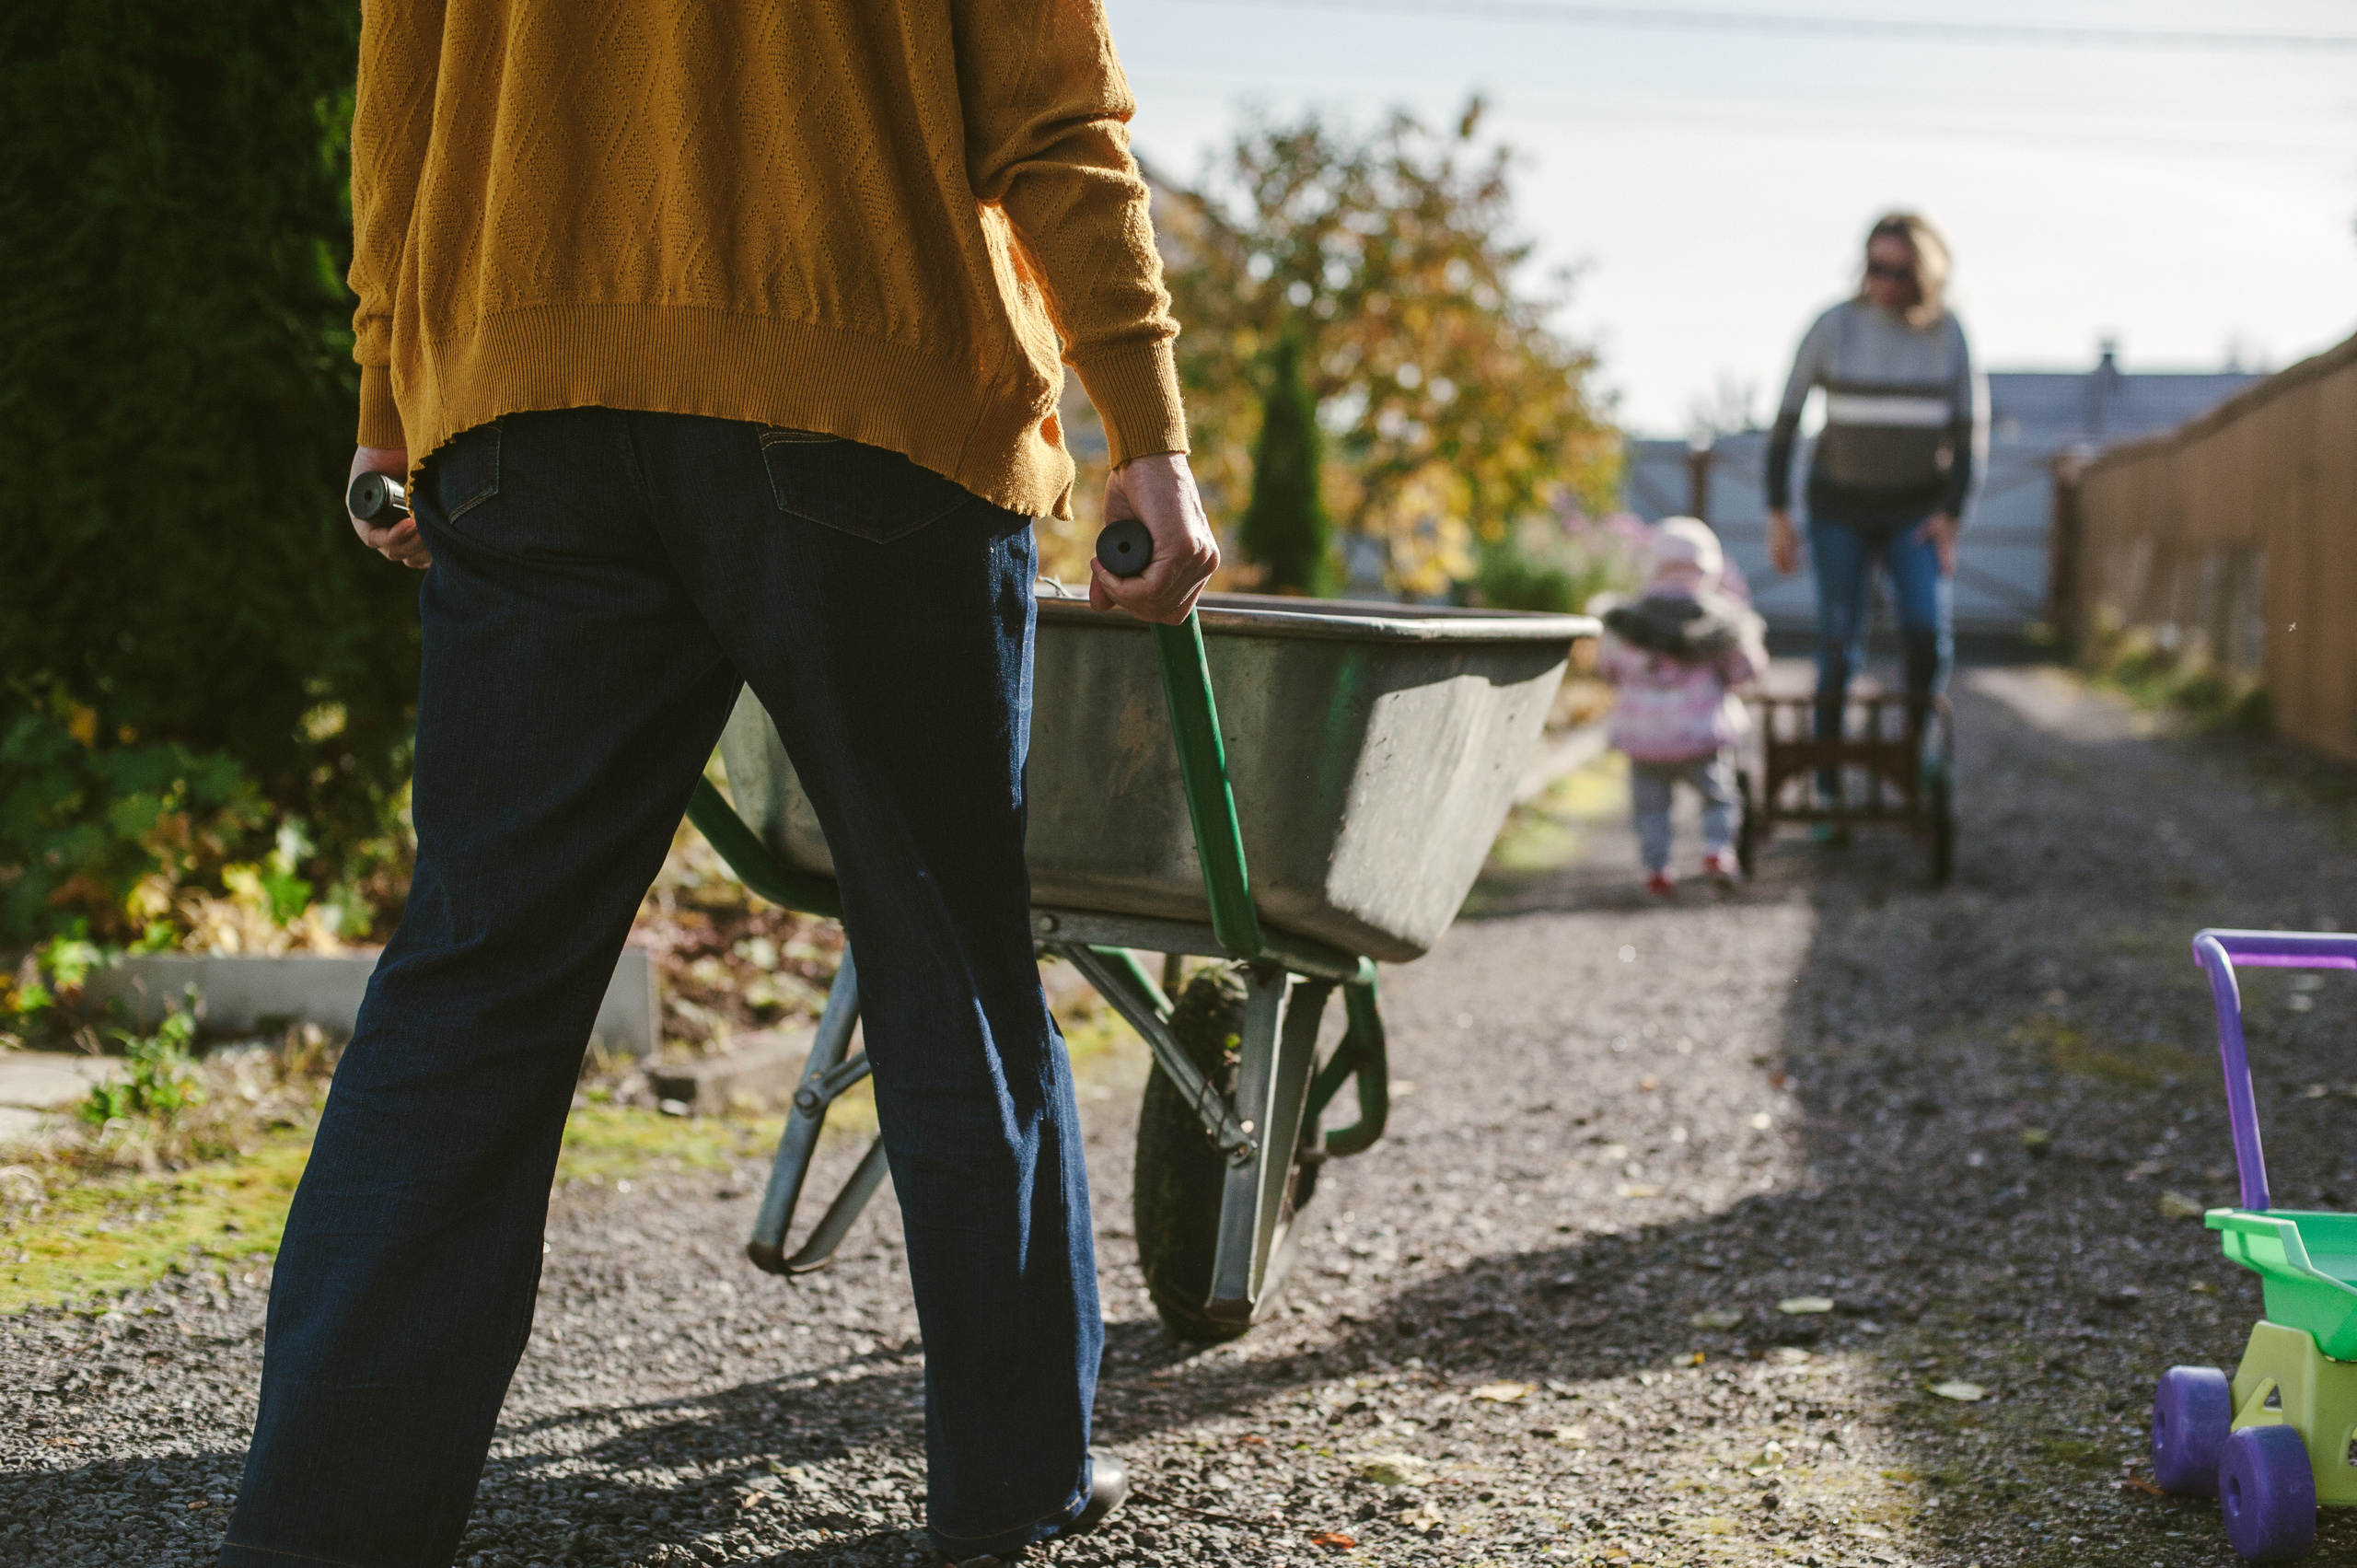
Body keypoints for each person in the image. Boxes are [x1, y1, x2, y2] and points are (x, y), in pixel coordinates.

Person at [220, 5, 1218, 1567]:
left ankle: (322, 1527)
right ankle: (1016, 1477)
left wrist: (385, 403)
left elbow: (397, 116)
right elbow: (1051, 114)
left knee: (474, 977)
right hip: (865, 391)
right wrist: (1146, 428)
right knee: (947, 950)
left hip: (524, 401)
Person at [1763, 212, 1986, 791]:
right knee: (1838, 640)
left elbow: (1967, 436)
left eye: (1899, 271)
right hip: (1841, 508)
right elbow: (1785, 424)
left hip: (1916, 511)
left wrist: (1953, 515)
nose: (1884, 282)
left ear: (1925, 273)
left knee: (1924, 632)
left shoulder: (1948, 334)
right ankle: (1828, 780)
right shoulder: (1833, 327)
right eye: (1875, 268)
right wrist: (1779, 514)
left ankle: (1913, 754)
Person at [1595, 517, 1766, 897]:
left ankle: (1657, 867)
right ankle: (1717, 851)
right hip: (1700, 734)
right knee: (1718, 797)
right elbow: (1745, 668)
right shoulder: (1720, 622)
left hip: (1644, 738)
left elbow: (1607, 667)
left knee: (1651, 809)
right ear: (1710, 567)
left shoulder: (1627, 622)